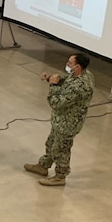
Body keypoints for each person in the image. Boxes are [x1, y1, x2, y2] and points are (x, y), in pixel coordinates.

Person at [24, 52, 94, 186]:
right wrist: (52, 78)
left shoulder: (80, 86)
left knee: (61, 149)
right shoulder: (85, 74)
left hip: (68, 123)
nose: (67, 65)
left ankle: (60, 176)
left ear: (78, 66)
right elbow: (68, 82)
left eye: (70, 63)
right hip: (61, 121)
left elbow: (56, 103)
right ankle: (43, 166)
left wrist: (53, 86)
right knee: (51, 143)